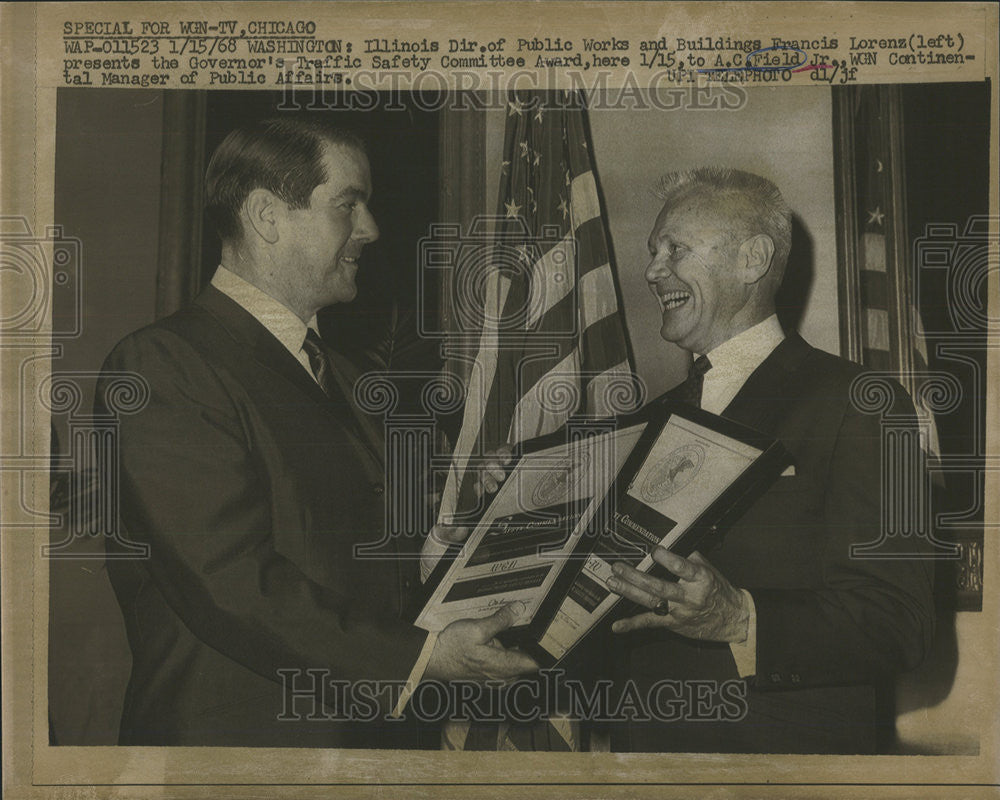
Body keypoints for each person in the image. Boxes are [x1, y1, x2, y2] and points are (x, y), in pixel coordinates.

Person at [97, 117, 536, 748]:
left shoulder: (348, 378)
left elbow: (364, 552)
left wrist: (458, 516)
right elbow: (232, 585)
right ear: (268, 216)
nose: (371, 229)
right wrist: (417, 661)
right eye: (348, 205)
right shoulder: (164, 365)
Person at [601, 167, 934, 753]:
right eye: (653, 251)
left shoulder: (861, 405)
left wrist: (742, 619)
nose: (652, 271)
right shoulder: (640, 425)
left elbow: (898, 622)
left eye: (675, 248)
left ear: (753, 258)